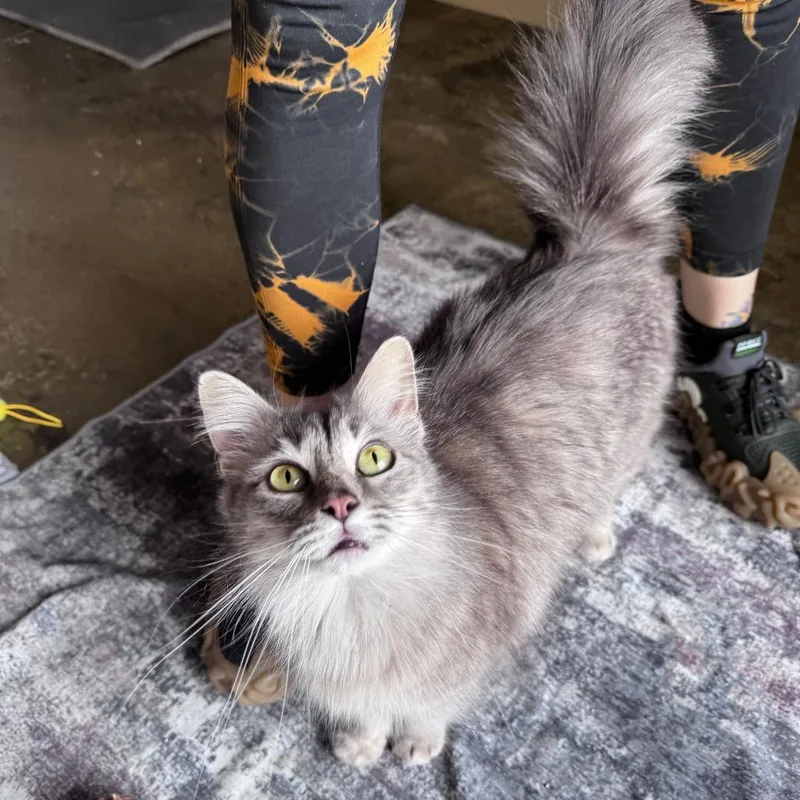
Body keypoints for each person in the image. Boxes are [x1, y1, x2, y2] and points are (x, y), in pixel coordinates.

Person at [208, 0, 800, 701]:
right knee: (313, 12)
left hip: (597, 337)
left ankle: (720, 349)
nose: (337, 502)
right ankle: (306, 429)